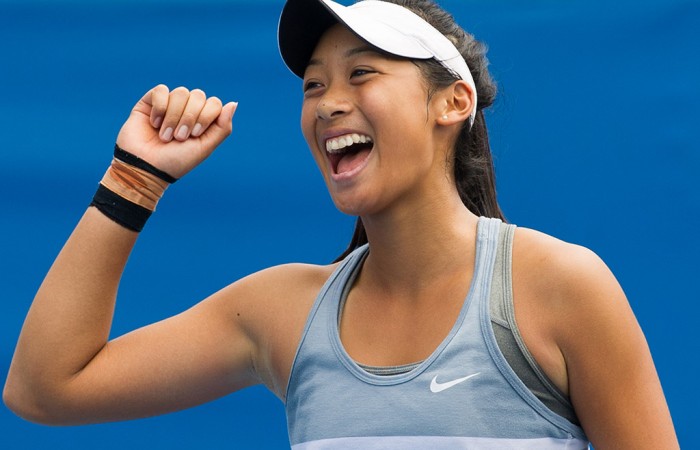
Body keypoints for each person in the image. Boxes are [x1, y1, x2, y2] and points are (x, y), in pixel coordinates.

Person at [3, 0, 678, 448]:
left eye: (362, 74)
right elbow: (43, 389)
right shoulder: (280, 312)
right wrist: (132, 180)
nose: (330, 104)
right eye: (314, 85)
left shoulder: (561, 286)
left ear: (453, 101)